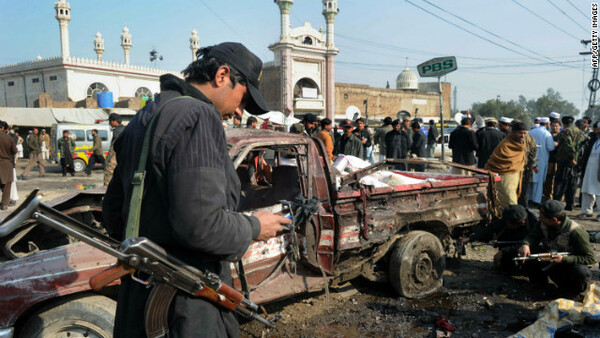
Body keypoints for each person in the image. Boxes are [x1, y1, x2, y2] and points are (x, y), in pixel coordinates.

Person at [102, 42, 290, 337]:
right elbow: (202, 226)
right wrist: (254, 226)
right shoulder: (199, 117)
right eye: (244, 98)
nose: (240, 111)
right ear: (222, 75)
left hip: (137, 300)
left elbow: (114, 215)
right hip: (183, 308)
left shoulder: (145, 116)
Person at [518, 200, 596, 295]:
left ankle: (572, 293)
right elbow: (532, 236)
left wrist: (564, 259)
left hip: (569, 266)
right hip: (551, 261)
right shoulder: (543, 223)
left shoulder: (576, 232)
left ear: (554, 219)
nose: (539, 219)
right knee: (530, 253)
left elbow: (590, 258)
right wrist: (526, 244)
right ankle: (539, 285)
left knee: (581, 271)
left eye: (542, 217)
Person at [461, 204, 532, 272]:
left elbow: (530, 243)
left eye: (508, 224)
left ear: (522, 223)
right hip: (509, 246)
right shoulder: (508, 219)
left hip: (527, 250)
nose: (506, 224)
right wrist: (470, 238)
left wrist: (503, 252)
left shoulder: (532, 224)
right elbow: (490, 229)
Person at [485, 122, 528, 213]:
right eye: (520, 133)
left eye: (524, 133)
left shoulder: (521, 143)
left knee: (512, 198)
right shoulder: (505, 145)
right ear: (513, 132)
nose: (523, 135)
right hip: (504, 176)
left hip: (516, 176)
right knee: (508, 200)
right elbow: (495, 161)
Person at [553, 116, 585, 211]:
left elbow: (568, 144)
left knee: (560, 183)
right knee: (572, 184)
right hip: (575, 162)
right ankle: (570, 205)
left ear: (563, 123)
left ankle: (556, 205)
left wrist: (571, 157)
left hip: (565, 161)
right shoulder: (580, 132)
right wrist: (575, 158)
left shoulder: (565, 131)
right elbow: (581, 146)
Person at [528, 117, 555, 206]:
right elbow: (551, 147)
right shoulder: (547, 133)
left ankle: (529, 198)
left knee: (530, 179)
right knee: (539, 180)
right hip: (541, 161)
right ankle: (536, 200)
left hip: (531, 160)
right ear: (548, 124)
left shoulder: (531, 132)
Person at [578, 121, 600, 218]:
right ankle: (586, 211)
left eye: (597, 129)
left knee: (599, 192)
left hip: (598, 171)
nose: (596, 131)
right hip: (589, 169)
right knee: (586, 189)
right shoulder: (593, 140)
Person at [104, 113, 125, 186]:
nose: (109, 123)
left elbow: (114, 153)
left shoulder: (117, 132)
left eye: (110, 121)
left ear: (115, 121)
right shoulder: (124, 129)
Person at [0, 121, 16, 210]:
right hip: (6, 164)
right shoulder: (8, 138)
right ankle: (4, 204)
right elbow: (14, 151)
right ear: (2, 128)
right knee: (6, 185)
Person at [543, 120, 561, 201]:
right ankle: (547, 196)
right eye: (553, 126)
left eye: (556, 126)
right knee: (548, 179)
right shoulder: (548, 135)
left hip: (558, 161)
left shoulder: (561, 136)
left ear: (559, 127)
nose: (554, 127)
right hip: (549, 161)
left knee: (557, 180)